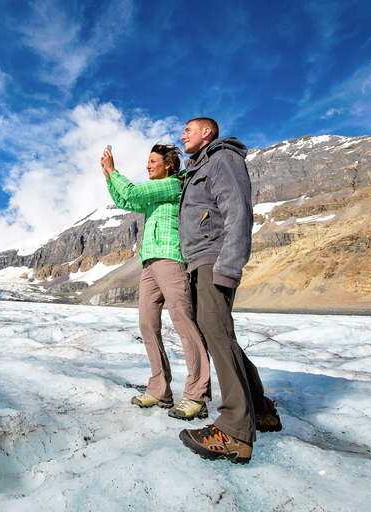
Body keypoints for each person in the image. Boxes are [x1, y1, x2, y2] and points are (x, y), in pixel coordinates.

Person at [176, 118, 282, 464]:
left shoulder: (222, 157)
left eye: (188, 130)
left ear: (208, 132)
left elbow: (238, 210)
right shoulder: (198, 167)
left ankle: (235, 431)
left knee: (217, 335)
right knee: (221, 335)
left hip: (214, 259)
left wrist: (228, 266)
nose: (182, 135)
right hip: (200, 261)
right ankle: (262, 410)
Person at [101, 144, 211, 421]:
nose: (148, 166)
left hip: (170, 260)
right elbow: (124, 202)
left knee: (185, 324)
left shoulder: (172, 185)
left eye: (152, 161)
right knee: (147, 324)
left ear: (169, 166)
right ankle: (160, 389)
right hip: (149, 263)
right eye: (147, 162)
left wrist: (114, 171)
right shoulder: (156, 192)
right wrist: (107, 176)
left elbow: (132, 192)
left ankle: (197, 394)